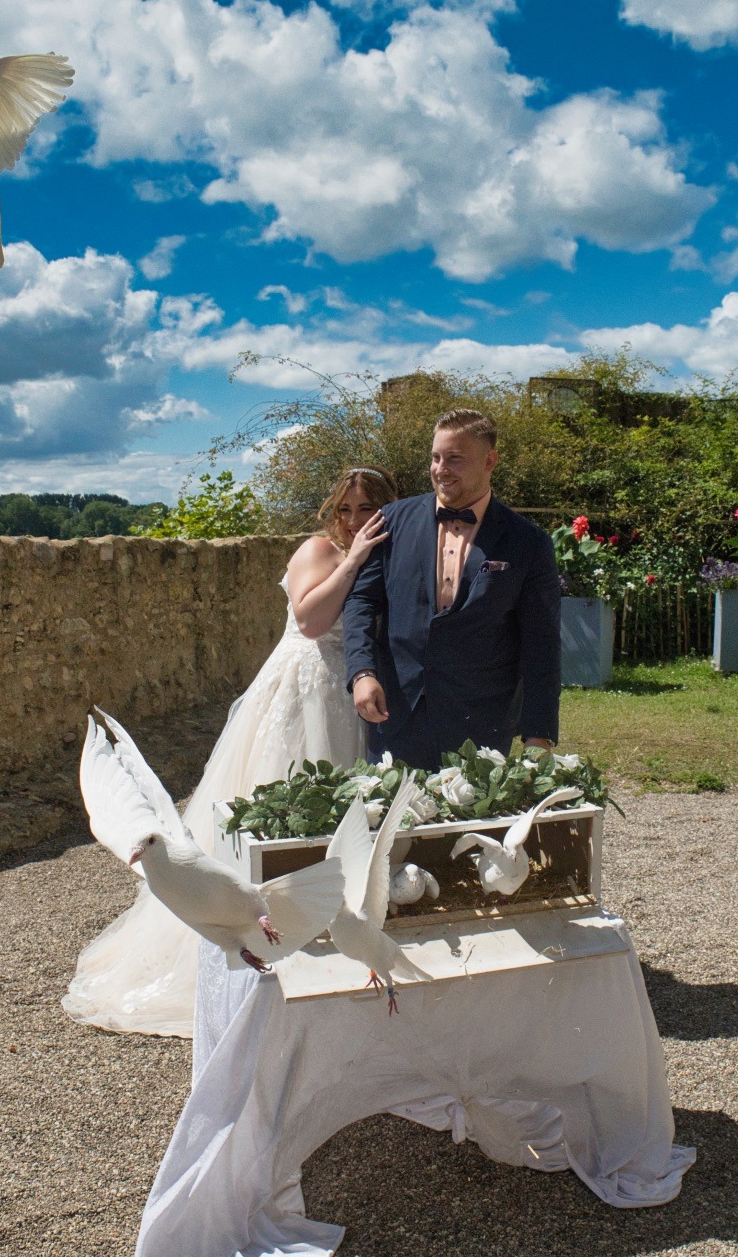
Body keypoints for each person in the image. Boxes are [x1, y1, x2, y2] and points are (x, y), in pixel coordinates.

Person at [62, 465, 397, 1038]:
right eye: (345, 508)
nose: (353, 520)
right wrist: (355, 556)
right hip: (302, 694)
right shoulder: (319, 550)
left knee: (348, 818)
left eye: (366, 509)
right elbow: (311, 620)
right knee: (278, 808)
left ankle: (330, 931)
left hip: (354, 697)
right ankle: (258, 937)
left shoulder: (386, 557)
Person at [343, 408, 560, 768]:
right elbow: (361, 601)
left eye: (454, 459)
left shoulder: (529, 542)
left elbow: (542, 644)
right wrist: (361, 673)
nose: (440, 469)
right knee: (391, 823)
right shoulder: (392, 521)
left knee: (477, 826)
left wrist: (538, 735)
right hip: (395, 715)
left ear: (490, 460)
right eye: (436, 457)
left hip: (482, 725)